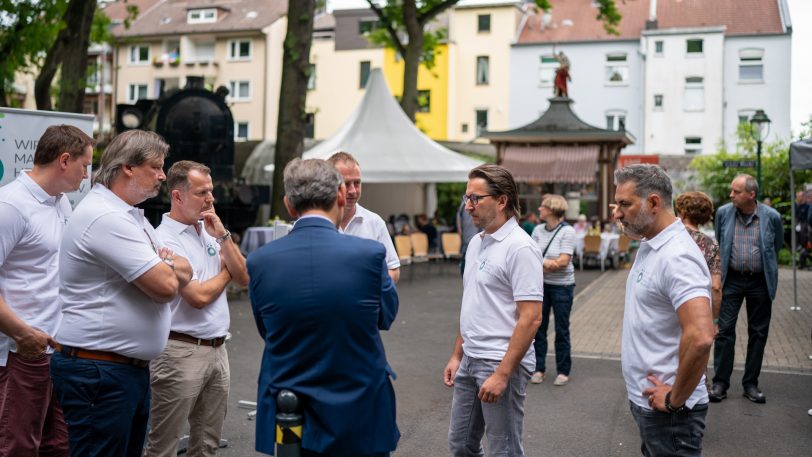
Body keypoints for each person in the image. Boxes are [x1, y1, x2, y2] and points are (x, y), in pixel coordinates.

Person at [51, 130, 192, 457]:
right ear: (128, 166)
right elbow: (168, 285)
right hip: (100, 372)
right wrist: (164, 267)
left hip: (118, 371)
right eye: (156, 167)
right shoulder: (107, 217)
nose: (161, 176)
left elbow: (185, 268)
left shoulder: (129, 216)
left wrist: (163, 267)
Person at [248, 158, 399, 457]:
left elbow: (267, 330)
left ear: (289, 205)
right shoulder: (369, 255)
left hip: (290, 407)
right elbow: (386, 316)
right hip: (359, 404)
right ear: (341, 196)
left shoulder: (260, 261)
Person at [0, 125, 94, 456]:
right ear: (64, 161)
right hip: (22, 351)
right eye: (85, 166)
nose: (87, 175)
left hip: (59, 348)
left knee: (60, 446)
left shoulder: (61, 203)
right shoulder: (10, 205)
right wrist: (23, 334)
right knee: (19, 446)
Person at [145, 161, 249, 457]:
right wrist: (226, 273)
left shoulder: (211, 231)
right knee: (163, 445)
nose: (210, 199)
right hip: (179, 352)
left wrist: (224, 236)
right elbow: (199, 296)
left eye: (211, 191)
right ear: (177, 196)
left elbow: (244, 277)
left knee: (206, 445)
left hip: (218, 349)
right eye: (202, 192)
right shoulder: (162, 238)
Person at [613, 164, 715, 457]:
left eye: (624, 204)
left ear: (654, 203)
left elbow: (701, 336)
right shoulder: (653, 242)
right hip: (653, 404)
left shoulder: (678, 256)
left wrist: (674, 398)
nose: (617, 213)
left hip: (670, 412)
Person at [443, 164, 543, 457]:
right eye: (467, 198)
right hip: (471, 358)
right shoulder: (476, 242)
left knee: (504, 450)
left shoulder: (520, 248)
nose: (468, 206)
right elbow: (473, 302)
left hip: (500, 361)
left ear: (502, 201)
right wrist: (457, 354)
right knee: (461, 445)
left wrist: (502, 374)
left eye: (476, 198)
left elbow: (531, 317)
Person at [710, 174, 784, 404]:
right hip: (731, 280)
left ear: (751, 194)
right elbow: (721, 240)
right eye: (731, 190)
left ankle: (750, 384)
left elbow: (777, 245)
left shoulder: (772, 217)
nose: (731, 195)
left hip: (760, 282)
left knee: (758, 333)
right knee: (724, 331)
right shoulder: (723, 213)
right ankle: (720, 382)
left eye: (736, 191)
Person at [327, 151, 401, 283]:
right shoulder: (317, 222)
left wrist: (368, 288)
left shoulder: (374, 222)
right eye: (346, 183)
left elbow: (393, 269)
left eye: (357, 183)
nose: (353, 191)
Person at [530, 194, 576, 386]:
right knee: (538, 328)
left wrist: (542, 263)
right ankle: (538, 368)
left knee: (561, 329)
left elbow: (564, 263)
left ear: (552, 209)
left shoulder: (568, 232)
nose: (539, 209)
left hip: (562, 287)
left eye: (542, 206)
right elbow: (529, 258)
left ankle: (563, 371)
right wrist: (549, 263)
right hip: (540, 286)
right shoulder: (538, 230)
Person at [675, 191, 722, 334]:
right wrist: (714, 321)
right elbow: (716, 286)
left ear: (682, 213)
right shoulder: (710, 244)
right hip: (697, 308)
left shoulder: (669, 236)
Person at [456, 201, 479, 276]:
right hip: (467, 239)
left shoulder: (479, 201)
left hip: (474, 238)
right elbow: (458, 219)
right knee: (466, 263)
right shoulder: (463, 205)